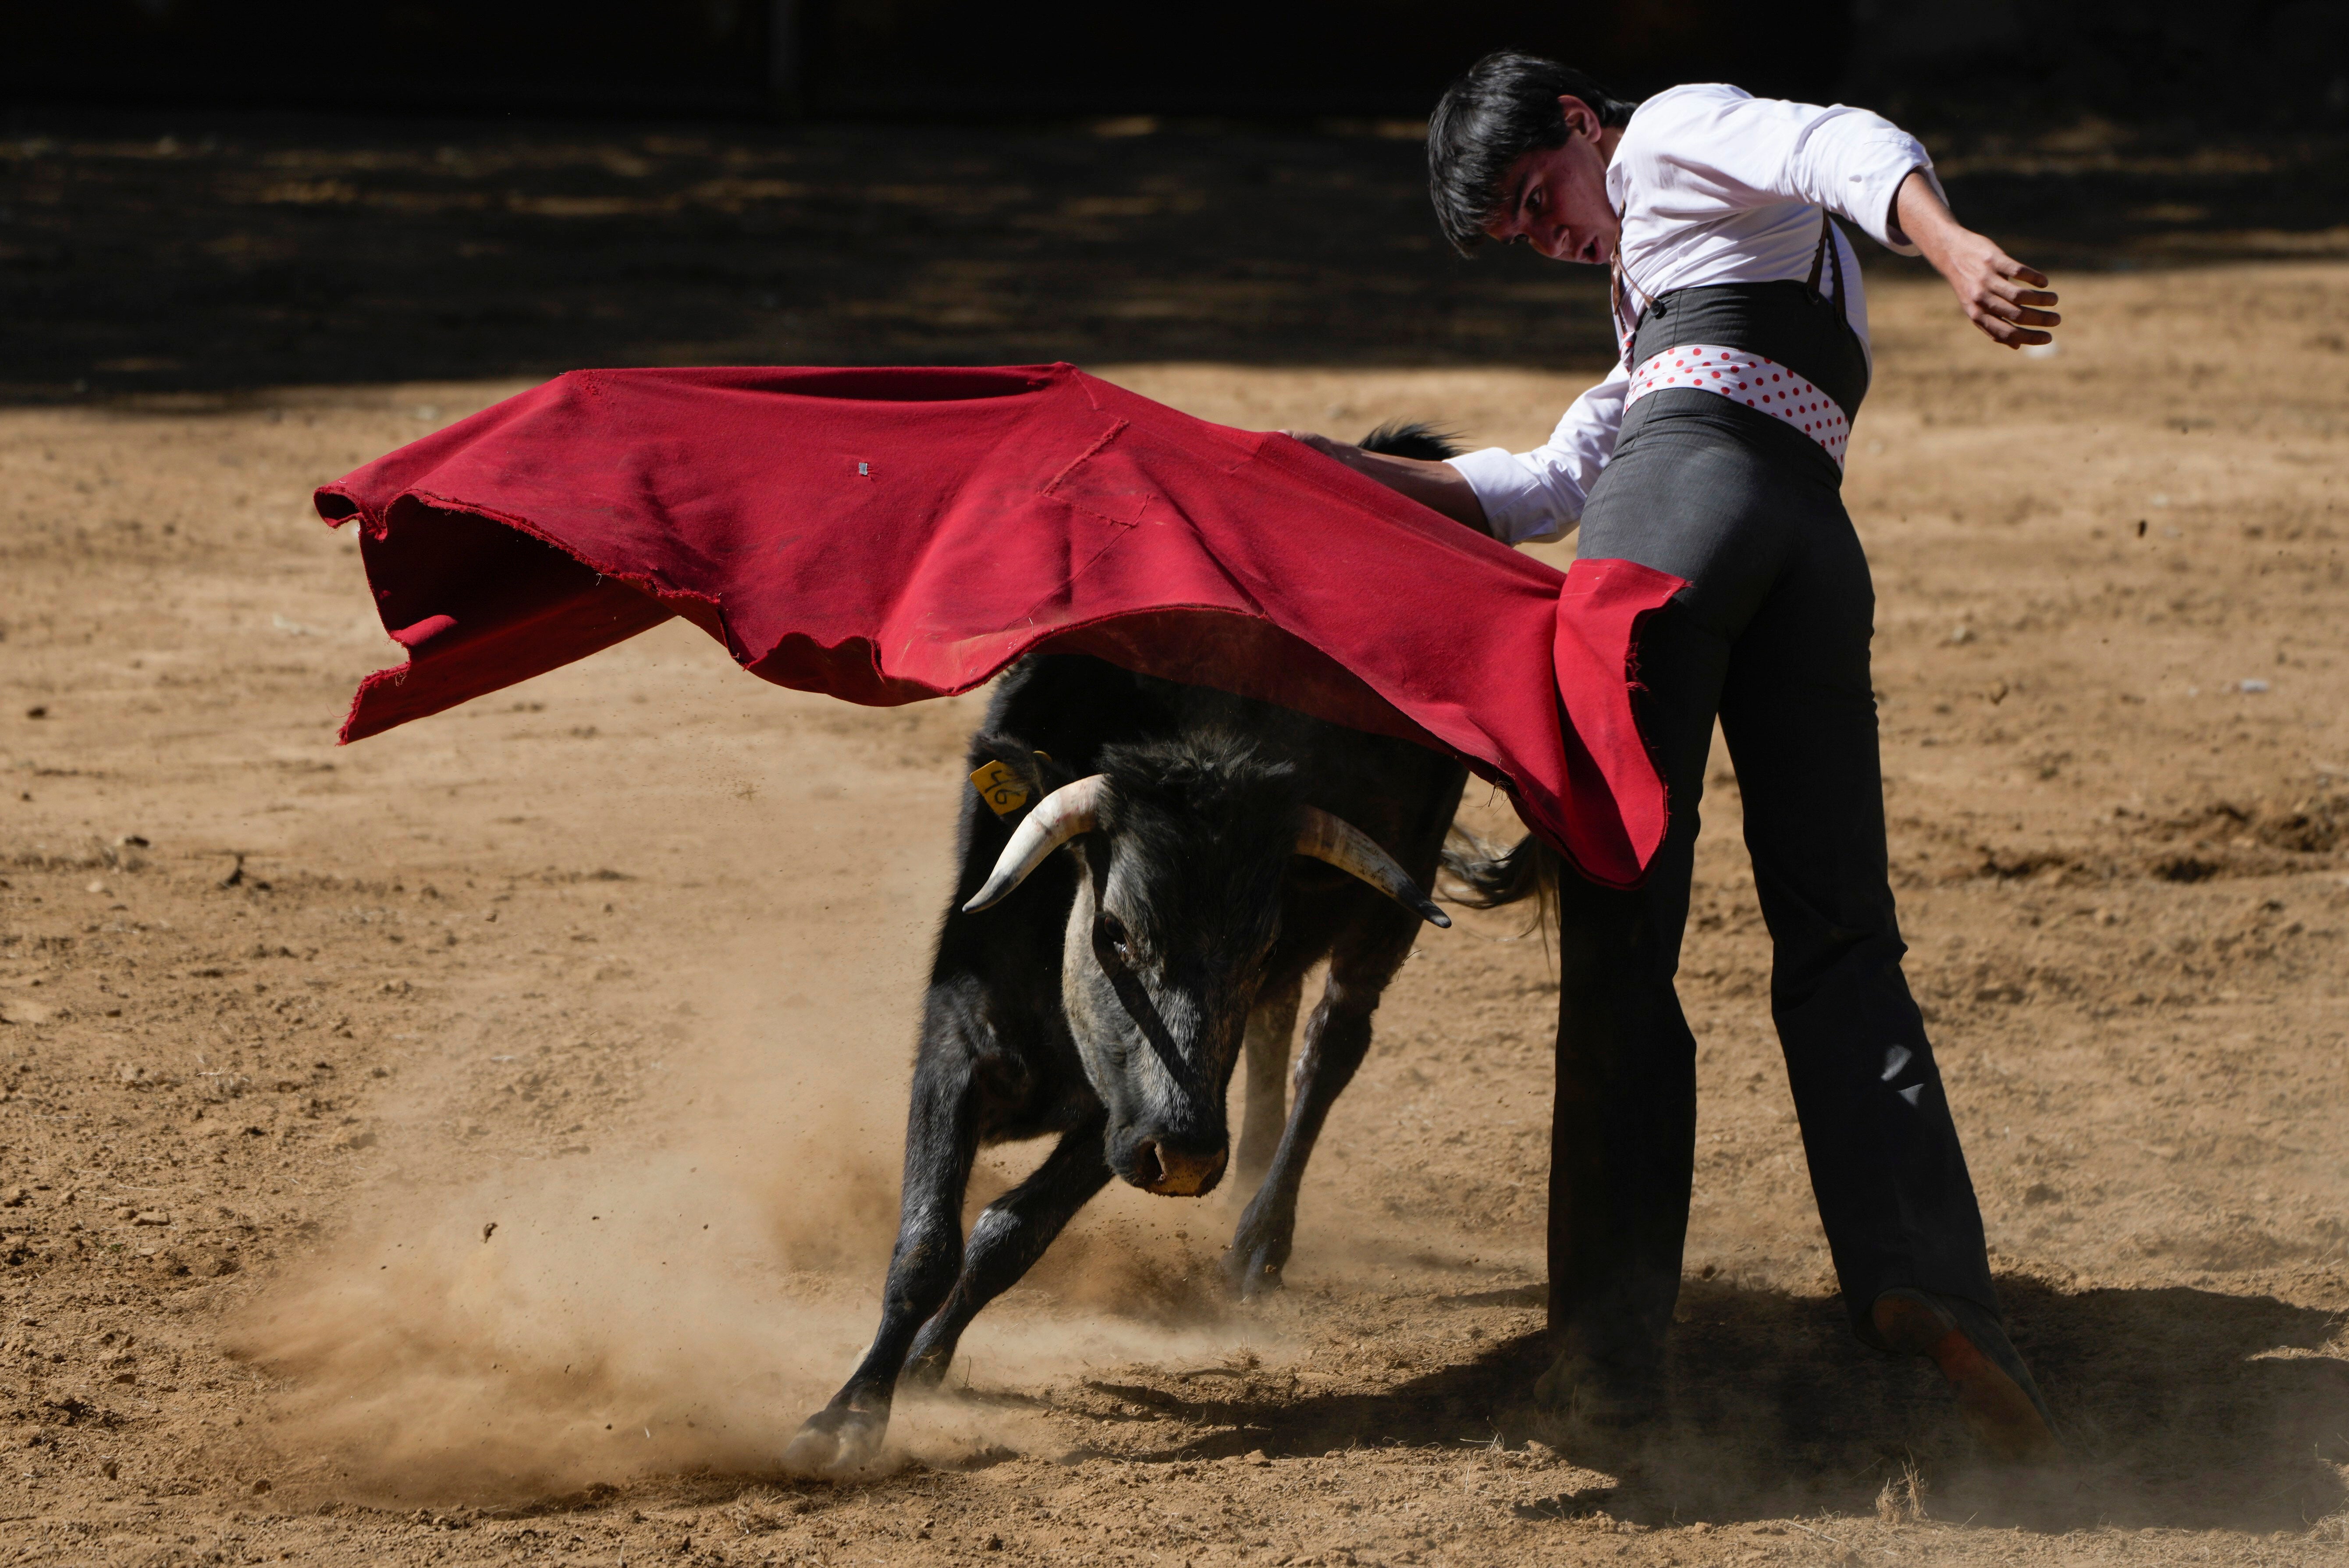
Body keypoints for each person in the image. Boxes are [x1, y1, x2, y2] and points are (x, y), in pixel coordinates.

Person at [1282, 53, 2063, 1461]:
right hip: (1811, 554)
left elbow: (1843, 138)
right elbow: (1539, 481)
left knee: (1623, 925)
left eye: (1539, 196)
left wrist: (1953, 246)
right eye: (1521, 232)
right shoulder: (1666, 292)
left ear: (1584, 122)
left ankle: (1607, 1362)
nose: (1550, 231)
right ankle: (1928, 1288)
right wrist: (1328, 466)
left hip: (1674, 528)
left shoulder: (1676, 136)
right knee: (1843, 935)